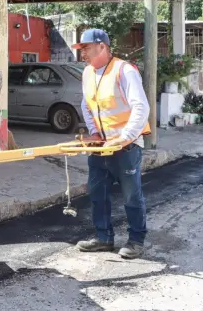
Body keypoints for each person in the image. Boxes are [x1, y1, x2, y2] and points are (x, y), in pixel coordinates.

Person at [72, 28, 151, 260]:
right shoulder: (87, 73)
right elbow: (87, 105)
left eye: (86, 48)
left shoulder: (124, 70)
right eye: (82, 49)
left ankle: (136, 240)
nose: (83, 54)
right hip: (101, 146)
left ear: (102, 47)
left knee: (131, 196)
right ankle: (103, 237)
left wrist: (125, 136)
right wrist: (94, 132)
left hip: (126, 147)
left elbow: (141, 107)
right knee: (98, 193)